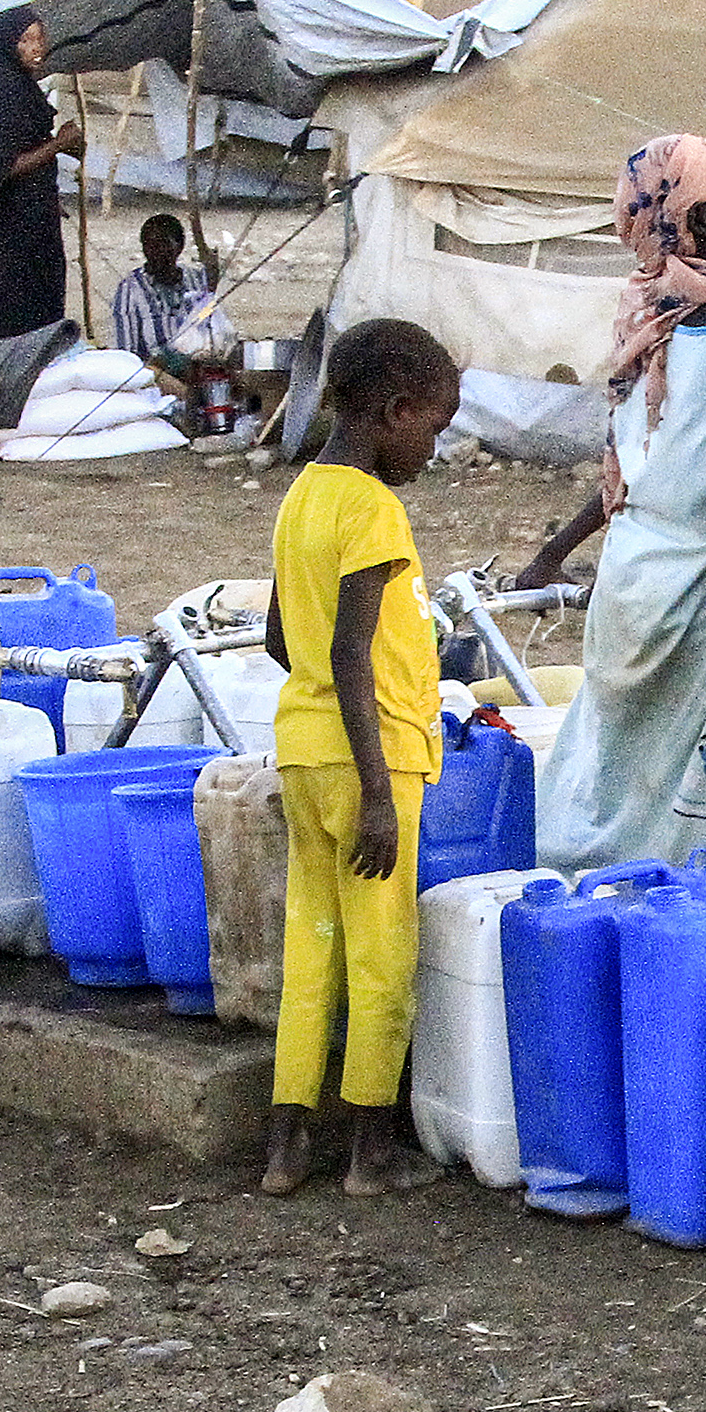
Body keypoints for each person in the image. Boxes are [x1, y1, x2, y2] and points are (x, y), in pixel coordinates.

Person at [518, 134, 706, 873]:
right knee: (686, 787)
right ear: (689, 224)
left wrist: (553, 552)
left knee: (614, 772)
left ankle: (582, 899)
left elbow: (627, 471)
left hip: (631, 585)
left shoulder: (643, 326)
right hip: (697, 596)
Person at [258, 318, 461, 1197]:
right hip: (372, 764)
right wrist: (379, 790)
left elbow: (280, 637)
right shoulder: (375, 509)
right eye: (434, 427)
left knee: (313, 948)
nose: (433, 447)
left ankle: (285, 1147)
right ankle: (371, 1154)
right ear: (395, 410)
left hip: (303, 756)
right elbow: (350, 651)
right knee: (381, 955)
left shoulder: (304, 494)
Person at [0, 7, 83, 341]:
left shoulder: (21, 85)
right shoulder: (3, 89)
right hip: (12, 229)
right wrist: (58, 144)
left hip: (31, 219)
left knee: (40, 306)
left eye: (40, 38)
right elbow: (5, 165)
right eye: (26, 40)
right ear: (8, 43)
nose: (36, 47)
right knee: (20, 312)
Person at [111, 211, 228, 377]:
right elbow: (128, 355)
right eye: (148, 245)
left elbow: (213, 328)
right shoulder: (130, 289)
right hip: (156, 376)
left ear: (179, 246)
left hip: (200, 369)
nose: (154, 251)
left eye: (162, 244)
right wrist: (166, 363)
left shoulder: (196, 280)